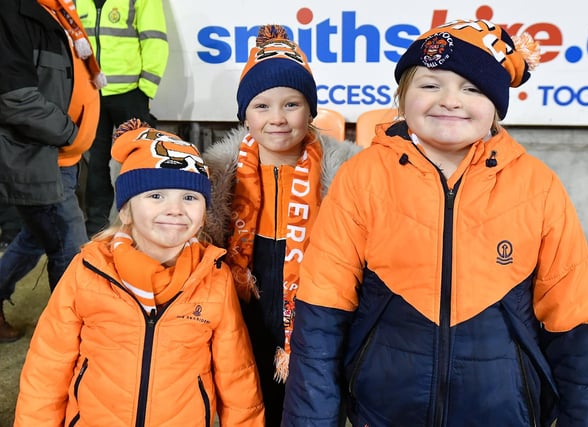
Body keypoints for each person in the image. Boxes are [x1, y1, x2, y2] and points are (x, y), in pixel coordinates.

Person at [283, 19, 588, 427]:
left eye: (472, 88)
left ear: (495, 107)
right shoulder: (361, 178)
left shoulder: (537, 186)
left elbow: (578, 321)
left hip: (506, 412)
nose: (450, 100)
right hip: (382, 411)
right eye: (430, 84)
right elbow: (321, 315)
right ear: (402, 99)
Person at [14, 119, 265, 426]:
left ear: (204, 215)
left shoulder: (214, 278)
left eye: (189, 197)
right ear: (126, 210)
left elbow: (237, 377)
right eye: (156, 195)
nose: (175, 209)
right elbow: (47, 369)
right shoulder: (87, 271)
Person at [202, 24, 361, 426]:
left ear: (311, 110)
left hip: (317, 315)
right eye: (262, 106)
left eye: (291, 104)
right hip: (242, 310)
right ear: (244, 114)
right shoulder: (215, 172)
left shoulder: (348, 173)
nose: (277, 119)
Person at [0, 0, 102, 342]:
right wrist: (72, 133)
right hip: (40, 157)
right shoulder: (12, 11)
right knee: (70, 248)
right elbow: (15, 98)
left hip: (61, 158)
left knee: (34, 239)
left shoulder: (57, 11)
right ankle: (70, 341)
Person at [77, 0, 169, 237]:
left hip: (130, 94)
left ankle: (147, 223)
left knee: (142, 160)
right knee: (95, 163)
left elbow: (155, 40)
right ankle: (96, 229)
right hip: (92, 93)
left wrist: (146, 88)